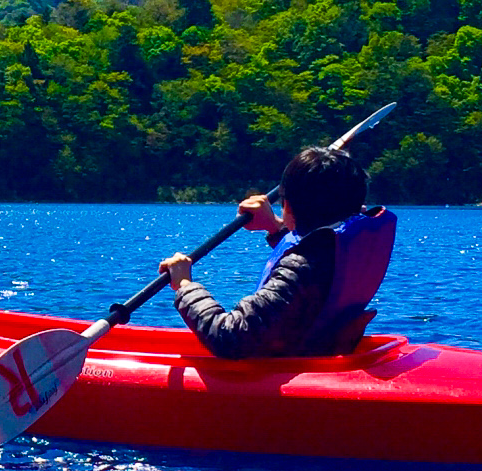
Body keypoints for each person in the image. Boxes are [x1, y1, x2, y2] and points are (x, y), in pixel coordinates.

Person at [157, 146, 370, 359]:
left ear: (286, 204)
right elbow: (314, 254)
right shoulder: (342, 250)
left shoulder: (302, 269)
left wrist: (185, 285)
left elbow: (230, 338)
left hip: (287, 371)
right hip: (315, 354)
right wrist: (275, 227)